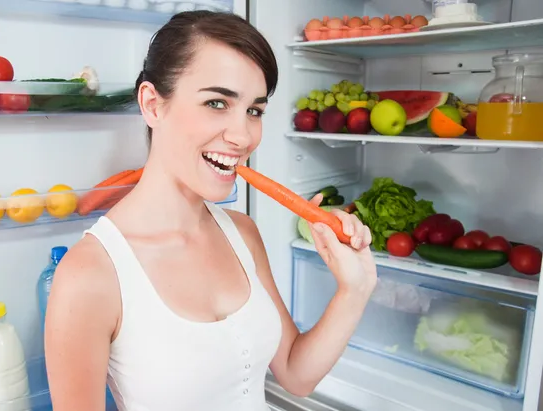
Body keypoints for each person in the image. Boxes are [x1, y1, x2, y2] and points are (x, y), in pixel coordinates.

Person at [44, 10, 377, 411]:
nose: (242, 136)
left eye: (254, 110)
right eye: (217, 102)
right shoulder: (90, 275)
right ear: (152, 105)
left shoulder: (243, 233)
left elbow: (295, 372)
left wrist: (355, 289)